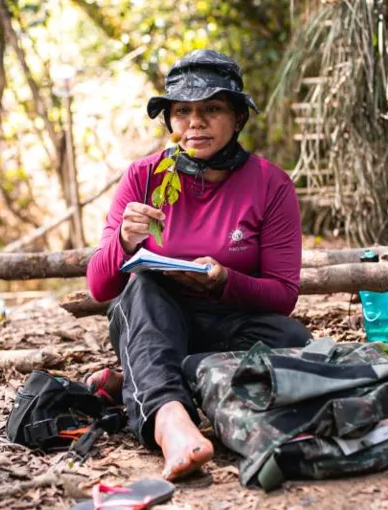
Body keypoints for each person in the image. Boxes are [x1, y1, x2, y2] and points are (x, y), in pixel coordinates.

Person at [85, 49, 311, 481]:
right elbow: (99, 287)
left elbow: (283, 295)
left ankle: (136, 379)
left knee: (292, 337)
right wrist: (124, 241)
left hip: (230, 322)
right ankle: (170, 421)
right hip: (154, 319)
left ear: (238, 117)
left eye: (211, 109)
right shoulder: (144, 176)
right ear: (169, 120)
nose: (195, 122)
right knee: (144, 287)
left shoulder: (271, 184)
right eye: (182, 111)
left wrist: (225, 280)